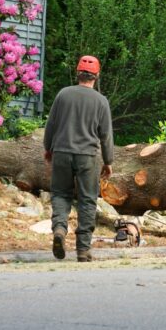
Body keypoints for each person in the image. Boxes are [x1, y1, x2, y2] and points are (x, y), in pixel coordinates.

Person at [44, 55, 114, 262]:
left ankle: (59, 229)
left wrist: (48, 148)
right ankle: (83, 250)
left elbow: (51, 125)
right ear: (97, 76)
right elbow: (106, 134)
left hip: (62, 153)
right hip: (88, 156)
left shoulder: (63, 95)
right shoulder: (101, 101)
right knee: (87, 200)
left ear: (78, 73)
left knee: (60, 194)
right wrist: (109, 161)